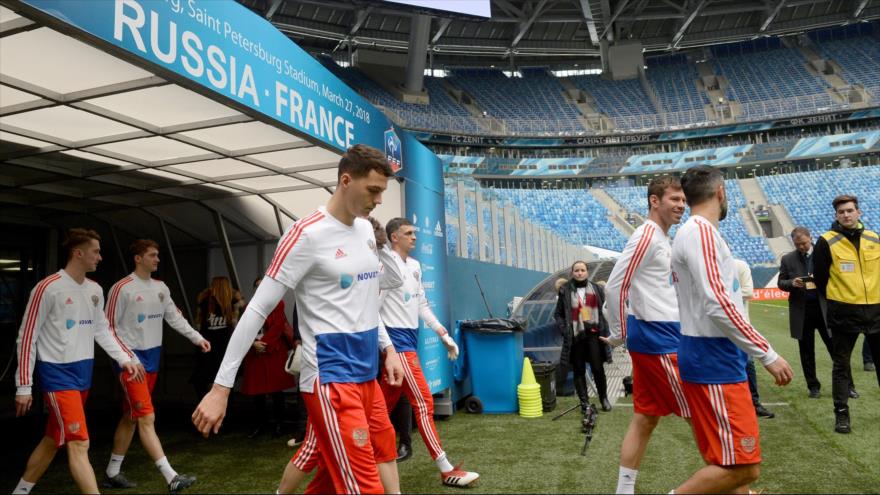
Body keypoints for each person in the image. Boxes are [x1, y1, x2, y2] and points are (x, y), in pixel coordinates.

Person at [192, 144, 406, 494]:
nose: (379, 200)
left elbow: (367, 300)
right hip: (331, 379)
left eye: (383, 191)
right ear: (345, 181)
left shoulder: (366, 231)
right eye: (373, 190)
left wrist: (389, 349)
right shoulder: (305, 234)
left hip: (367, 374)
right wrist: (221, 387)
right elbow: (256, 311)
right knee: (365, 486)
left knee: (350, 468)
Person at [670, 166, 793, 494]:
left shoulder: (694, 232)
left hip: (709, 354)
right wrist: (766, 352)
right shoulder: (701, 233)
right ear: (721, 192)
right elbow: (720, 304)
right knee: (746, 467)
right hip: (714, 358)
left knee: (726, 462)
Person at [13, 228, 144, 495]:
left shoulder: (95, 289)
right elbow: (27, 337)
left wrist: (125, 358)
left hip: (83, 374)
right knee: (79, 442)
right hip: (57, 376)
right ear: (78, 253)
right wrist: (24, 386)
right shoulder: (47, 288)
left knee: (53, 439)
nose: (100, 257)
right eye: (96, 251)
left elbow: (102, 330)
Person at [602, 176, 690, 495]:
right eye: (675, 199)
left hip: (661, 335)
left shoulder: (662, 238)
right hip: (658, 339)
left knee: (645, 419)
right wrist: (618, 333)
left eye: (683, 200)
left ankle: (624, 492)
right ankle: (736, 485)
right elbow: (615, 285)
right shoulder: (647, 236)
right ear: (655, 201)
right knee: (700, 413)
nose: (682, 205)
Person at [379, 217, 479, 487]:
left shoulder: (414, 265)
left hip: (408, 342)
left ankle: (350, 457)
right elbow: (372, 311)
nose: (414, 237)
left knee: (378, 409)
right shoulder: (383, 265)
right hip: (397, 346)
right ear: (393, 237)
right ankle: (446, 469)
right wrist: (388, 348)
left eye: (415, 232)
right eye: (408, 233)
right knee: (424, 403)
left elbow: (421, 304)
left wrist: (443, 334)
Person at [102, 239, 207, 492]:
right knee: (147, 417)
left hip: (153, 360)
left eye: (158, 255)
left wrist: (197, 337)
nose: (157, 260)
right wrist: (129, 359)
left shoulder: (161, 287)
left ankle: (112, 472)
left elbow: (174, 317)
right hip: (131, 364)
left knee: (131, 417)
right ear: (138, 258)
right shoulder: (121, 288)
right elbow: (107, 328)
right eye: (152, 255)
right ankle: (171, 477)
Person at [812, 194, 880, 434]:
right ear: (836, 216)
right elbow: (820, 279)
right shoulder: (826, 241)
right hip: (843, 312)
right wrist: (841, 299)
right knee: (841, 366)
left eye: (850, 210)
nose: (846, 215)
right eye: (842, 212)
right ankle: (842, 415)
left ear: (858, 212)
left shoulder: (874, 238)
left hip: (876, 311)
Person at [778, 226, 835, 399]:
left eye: (803, 243)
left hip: (824, 309)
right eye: (797, 244)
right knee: (806, 351)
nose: (801, 247)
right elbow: (781, 282)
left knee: (835, 348)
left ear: (810, 238)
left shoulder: (824, 252)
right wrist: (791, 283)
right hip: (802, 311)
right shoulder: (788, 259)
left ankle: (848, 386)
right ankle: (813, 387)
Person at [242, 277, 297, 439]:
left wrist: (263, 344)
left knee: (276, 392)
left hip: (272, 351)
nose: (261, 289)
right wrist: (253, 343)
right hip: (255, 353)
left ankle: (279, 424)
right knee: (257, 393)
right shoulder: (248, 307)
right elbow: (244, 328)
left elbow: (278, 326)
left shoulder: (278, 304)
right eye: (257, 286)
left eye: (263, 286)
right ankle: (260, 424)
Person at [555, 261, 611, 413]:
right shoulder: (565, 290)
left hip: (594, 335)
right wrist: (564, 329)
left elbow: (604, 311)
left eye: (582, 270)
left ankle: (603, 398)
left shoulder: (597, 288)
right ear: (572, 273)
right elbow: (558, 314)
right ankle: (584, 402)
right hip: (575, 336)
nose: (580, 273)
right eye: (576, 270)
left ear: (587, 272)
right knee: (579, 370)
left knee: (598, 368)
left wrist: (606, 329)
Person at [734, 257, 775, 419]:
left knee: (748, 362)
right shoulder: (707, 267)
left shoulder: (739, 265)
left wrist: (720, 294)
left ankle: (754, 403)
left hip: (742, 323)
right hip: (714, 325)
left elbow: (748, 291)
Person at [189, 276, 243, 399]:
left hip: (211, 347)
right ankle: (220, 407)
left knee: (205, 380)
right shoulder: (207, 301)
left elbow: (198, 325)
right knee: (222, 381)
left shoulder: (230, 303)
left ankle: (208, 404)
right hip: (221, 347)